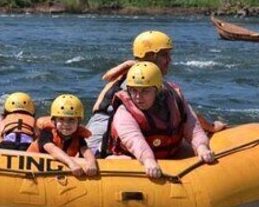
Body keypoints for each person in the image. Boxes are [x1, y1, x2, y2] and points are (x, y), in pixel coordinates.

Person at [87, 30, 226, 154]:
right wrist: (211, 127)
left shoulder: (142, 76)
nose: (169, 60)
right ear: (152, 57)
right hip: (103, 130)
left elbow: (183, 114)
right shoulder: (138, 84)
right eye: (165, 55)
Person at [107, 62, 215, 178]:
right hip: (133, 156)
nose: (138, 97)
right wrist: (148, 160)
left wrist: (201, 147)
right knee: (119, 161)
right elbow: (134, 140)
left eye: (145, 91)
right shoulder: (124, 112)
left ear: (157, 91)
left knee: (201, 153)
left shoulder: (175, 100)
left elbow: (192, 125)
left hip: (169, 152)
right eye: (134, 90)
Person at [27, 94, 98, 177]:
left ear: (78, 122)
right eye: (61, 119)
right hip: (31, 166)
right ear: (54, 121)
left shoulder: (77, 136)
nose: (66, 124)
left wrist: (91, 162)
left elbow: (85, 149)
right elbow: (51, 149)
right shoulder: (47, 132)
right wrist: (71, 163)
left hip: (53, 169)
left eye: (71, 120)